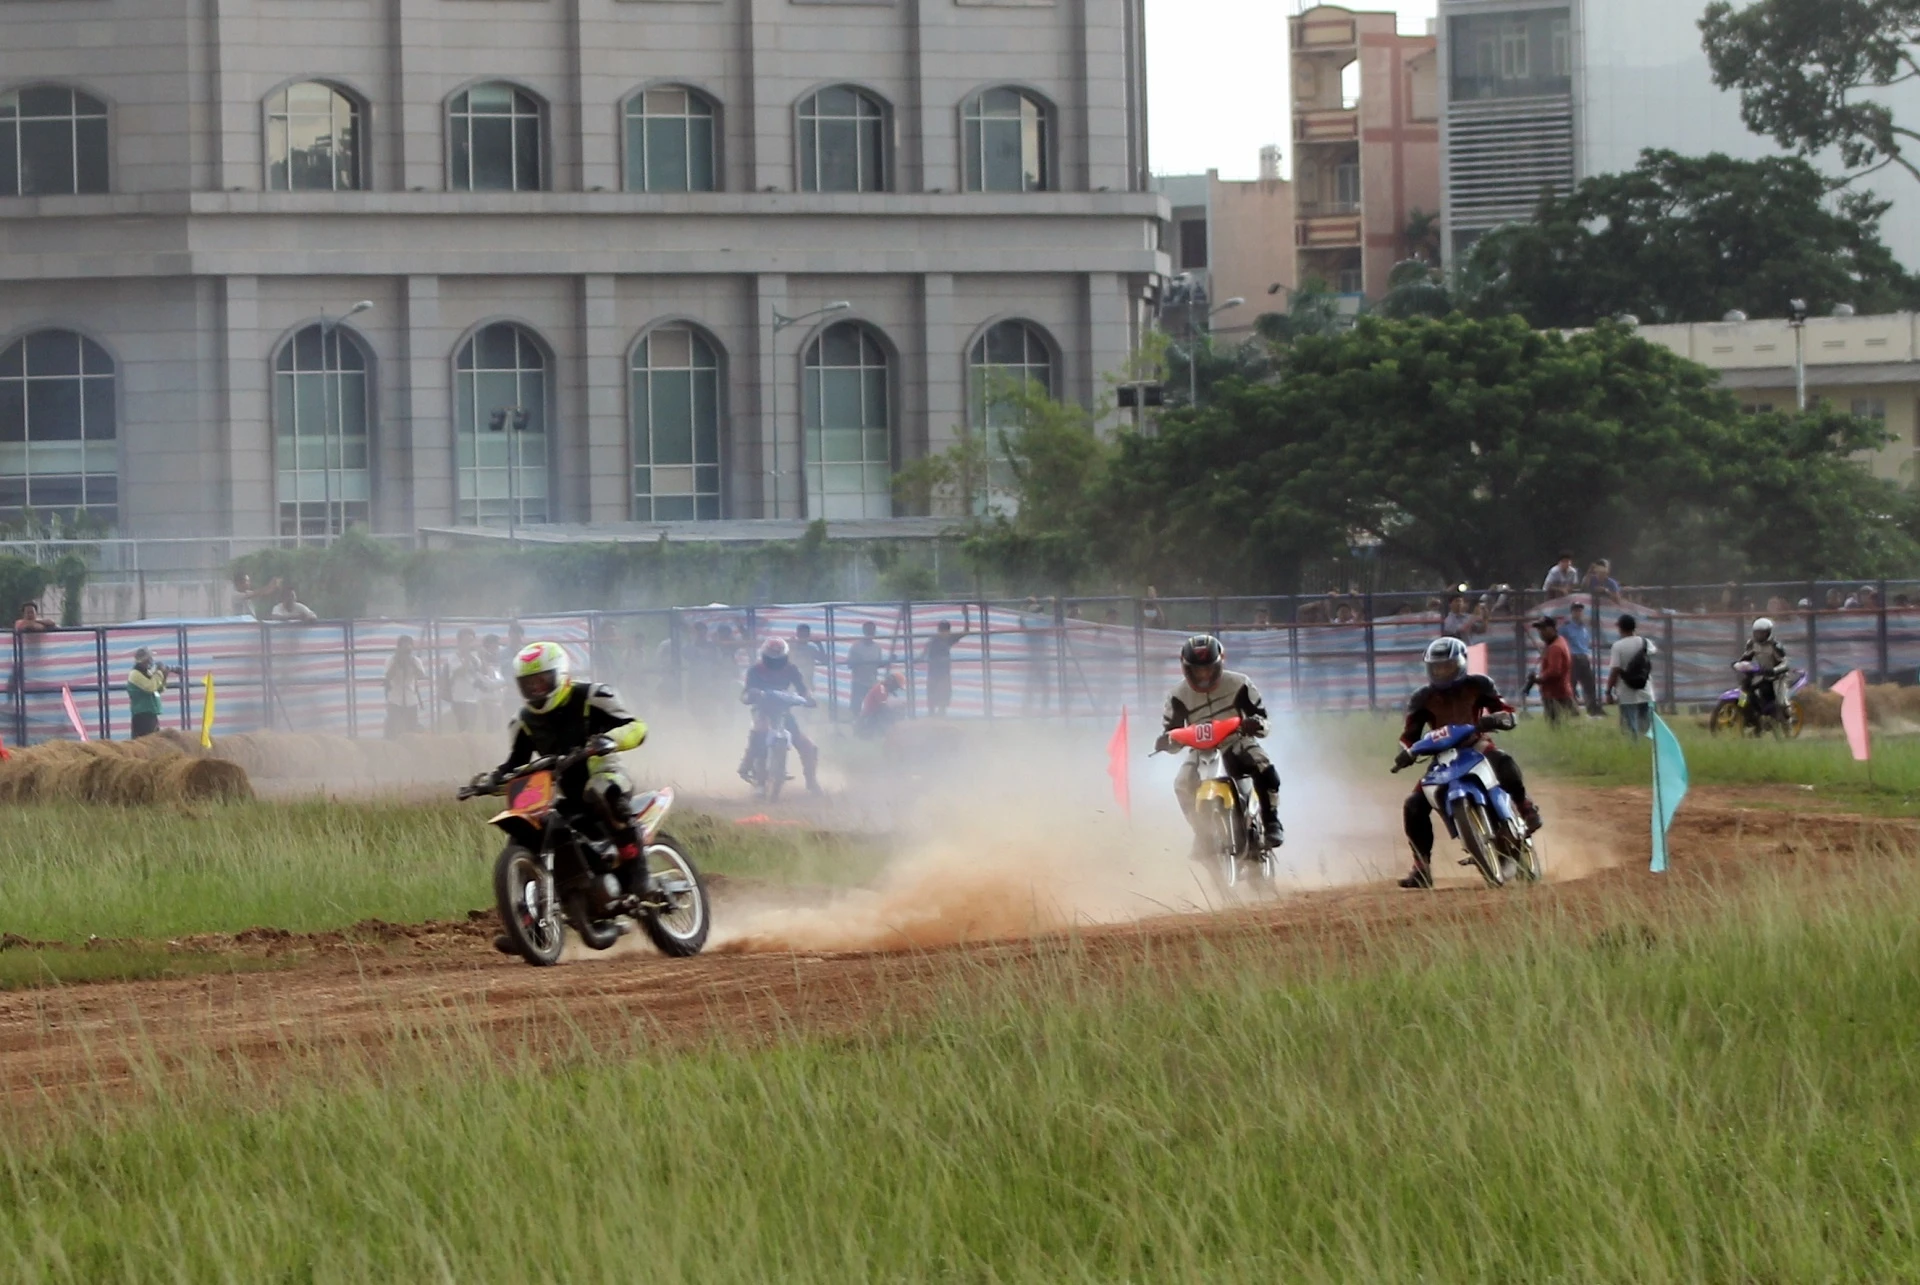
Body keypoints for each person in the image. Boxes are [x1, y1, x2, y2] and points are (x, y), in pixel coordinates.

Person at [477, 641, 650, 952]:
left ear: (561, 674)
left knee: (601, 792)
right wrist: (490, 781)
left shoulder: (592, 695)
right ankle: (528, 926)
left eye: (541, 680)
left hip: (605, 774)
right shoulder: (523, 721)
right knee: (524, 835)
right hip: (565, 794)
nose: (535, 689)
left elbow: (636, 727)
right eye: (528, 684)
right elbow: (514, 765)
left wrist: (608, 740)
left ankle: (640, 876)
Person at [1394, 637, 1542, 889]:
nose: (1442, 672)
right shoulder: (1422, 698)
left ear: (1461, 663)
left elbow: (1505, 709)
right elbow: (1409, 736)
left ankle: (1525, 807)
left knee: (1504, 762)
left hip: (1476, 744)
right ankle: (1421, 867)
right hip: (1442, 758)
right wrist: (1406, 753)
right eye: (1437, 668)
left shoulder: (1479, 684)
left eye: (1448, 666)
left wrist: (1500, 719)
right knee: (1413, 805)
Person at [1154, 634, 1282, 851]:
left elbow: (1263, 720)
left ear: (1220, 664)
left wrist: (1255, 724)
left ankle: (1271, 822)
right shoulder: (1177, 696)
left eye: (1208, 669)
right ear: (1186, 669)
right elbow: (1173, 733)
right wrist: (1166, 742)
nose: (1203, 674)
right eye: (1197, 670)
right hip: (1200, 750)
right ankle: (1202, 833)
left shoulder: (1240, 683)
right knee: (1182, 784)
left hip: (1236, 741)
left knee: (1264, 766)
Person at [738, 637, 821, 793]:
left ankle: (812, 782)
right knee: (761, 730)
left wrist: (809, 698)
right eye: (771, 659)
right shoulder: (755, 670)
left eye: (778, 659)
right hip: (762, 709)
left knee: (808, 746)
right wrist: (751, 695)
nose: (775, 663)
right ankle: (751, 769)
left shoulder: (791, 669)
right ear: (764, 656)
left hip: (783, 711)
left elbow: (802, 688)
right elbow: (745, 693)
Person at [1606, 614, 1657, 738]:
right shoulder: (1646, 642)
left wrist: (1608, 691)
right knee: (1647, 730)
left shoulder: (1618, 646)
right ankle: (1646, 747)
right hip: (1645, 690)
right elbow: (1652, 654)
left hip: (1626, 693)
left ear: (1621, 628)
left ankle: (1632, 747)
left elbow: (1615, 670)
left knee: (1629, 730)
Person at [1736, 617, 1789, 729]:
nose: (1759, 636)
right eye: (1757, 633)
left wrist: (1774, 670)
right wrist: (1739, 664)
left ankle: (1788, 723)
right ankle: (1750, 714)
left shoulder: (1775, 646)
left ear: (1769, 633)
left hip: (1778, 677)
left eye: (1762, 633)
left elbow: (1785, 663)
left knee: (1781, 703)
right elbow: (1746, 657)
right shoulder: (1752, 643)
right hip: (1762, 674)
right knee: (1746, 689)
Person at [922, 609, 971, 717]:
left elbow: (966, 631)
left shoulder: (949, 638)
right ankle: (931, 715)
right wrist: (920, 658)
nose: (944, 632)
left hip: (943, 672)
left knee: (943, 695)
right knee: (932, 694)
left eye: (946, 630)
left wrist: (966, 616)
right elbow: (925, 651)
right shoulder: (934, 640)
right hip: (934, 672)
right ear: (939, 630)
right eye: (942, 630)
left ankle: (941, 715)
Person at [1530, 615, 1575, 723]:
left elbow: (1554, 671)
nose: (1541, 633)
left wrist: (1538, 678)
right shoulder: (1560, 641)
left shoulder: (1555, 647)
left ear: (1552, 629)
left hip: (1555, 695)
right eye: (1539, 630)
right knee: (1572, 723)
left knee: (1557, 726)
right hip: (1563, 692)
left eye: (1543, 629)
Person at [384, 634, 426, 738]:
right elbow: (388, 676)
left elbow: (421, 675)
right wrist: (397, 661)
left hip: (411, 698)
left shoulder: (415, 660)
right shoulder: (391, 660)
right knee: (392, 729)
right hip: (395, 699)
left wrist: (411, 663)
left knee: (411, 729)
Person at [1562, 602, 1598, 715]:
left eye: (1580, 611)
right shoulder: (1566, 628)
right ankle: (1572, 710)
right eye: (1576, 610)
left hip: (1584, 657)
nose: (1579, 613)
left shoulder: (1584, 628)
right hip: (1573, 657)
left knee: (1589, 684)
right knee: (1572, 684)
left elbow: (1585, 644)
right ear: (1572, 612)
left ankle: (1592, 709)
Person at [125, 647, 169, 738]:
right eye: (149, 658)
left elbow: (158, 690)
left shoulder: (147, 673)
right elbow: (150, 687)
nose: (151, 661)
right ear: (144, 660)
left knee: (154, 741)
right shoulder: (135, 674)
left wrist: (164, 677)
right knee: (144, 742)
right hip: (142, 716)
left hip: (150, 714)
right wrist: (158, 672)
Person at [448, 627, 486, 733]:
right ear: (459, 642)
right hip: (459, 698)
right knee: (463, 728)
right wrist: (467, 655)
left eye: (471, 641)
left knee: (471, 729)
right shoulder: (453, 657)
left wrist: (482, 656)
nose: (469, 644)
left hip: (473, 698)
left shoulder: (475, 658)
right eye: (466, 641)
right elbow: (461, 672)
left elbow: (484, 672)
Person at [846, 620, 885, 717]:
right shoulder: (856, 646)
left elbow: (879, 664)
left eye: (872, 630)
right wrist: (857, 661)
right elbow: (849, 665)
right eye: (868, 630)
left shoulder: (877, 647)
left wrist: (889, 661)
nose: (870, 633)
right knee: (856, 707)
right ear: (864, 631)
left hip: (872, 682)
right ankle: (856, 722)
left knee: (874, 707)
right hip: (859, 682)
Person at [856, 671, 905, 740]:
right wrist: (894, 722)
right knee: (884, 712)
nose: (896, 689)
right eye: (896, 686)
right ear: (891, 682)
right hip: (867, 720)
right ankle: (882, 735)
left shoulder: (884, 689)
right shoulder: (880, 688)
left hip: (871, 719)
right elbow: (883, 708)